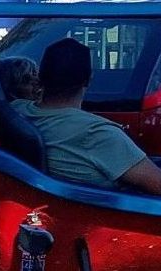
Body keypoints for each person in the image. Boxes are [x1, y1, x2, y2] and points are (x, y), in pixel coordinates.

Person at [11, 38, 161, 195]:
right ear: (89, 79)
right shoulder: (98, 134)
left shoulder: (16, 110)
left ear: (40, 78)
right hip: (99, 214)